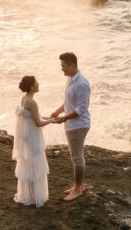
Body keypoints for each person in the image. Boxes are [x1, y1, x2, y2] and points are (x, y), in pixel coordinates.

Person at [48, 52, 91, 202]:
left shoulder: (82, 84)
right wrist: (57, 112)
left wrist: (63, 118)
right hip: (71, 124)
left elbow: (81, 110)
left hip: (78, 125)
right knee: (76, 156)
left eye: (64, 66)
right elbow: (68, 102)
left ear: (72, 65)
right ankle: (78, 185)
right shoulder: (70, 80)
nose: (62, 69)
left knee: (77, 157)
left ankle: (78, 189)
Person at [13, 75, 54, 207]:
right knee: (35, 163)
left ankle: (28, 195)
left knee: (28, 163)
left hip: (27, 136)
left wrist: (48, 117)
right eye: (37, 82)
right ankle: (36, 197)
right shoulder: (32, 102)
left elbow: (32, 117)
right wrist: (52, 121)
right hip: (33, 136)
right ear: (32, 86)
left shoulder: (24, 99)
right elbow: (38, 122)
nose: (39, 84)